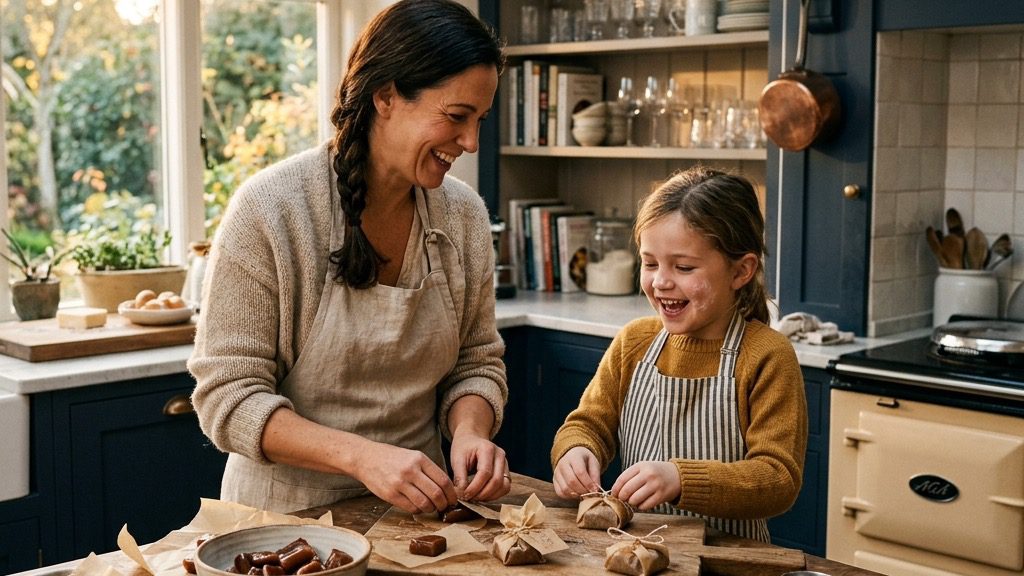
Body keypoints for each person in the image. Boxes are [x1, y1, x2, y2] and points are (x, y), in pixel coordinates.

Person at [189, 0, 510, 515]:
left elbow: (476, 361)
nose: (470, 142)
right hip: (280, 524)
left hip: (416, 515)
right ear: (386, 96)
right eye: (456, 116)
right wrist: (362, 459)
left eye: (480, 120)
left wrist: (470, 432)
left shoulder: (463, 218)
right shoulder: (273, 210)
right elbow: (228, 399)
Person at [550, 167, 807, 542]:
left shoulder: (767, 355)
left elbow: (777, 478)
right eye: (650, 263)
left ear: (741, 271)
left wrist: (680, 479)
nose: (660, 281)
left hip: (726, 561)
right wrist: (575, 451)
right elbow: (587, 423)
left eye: (683, 267)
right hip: (638, 550)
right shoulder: (634, 342)